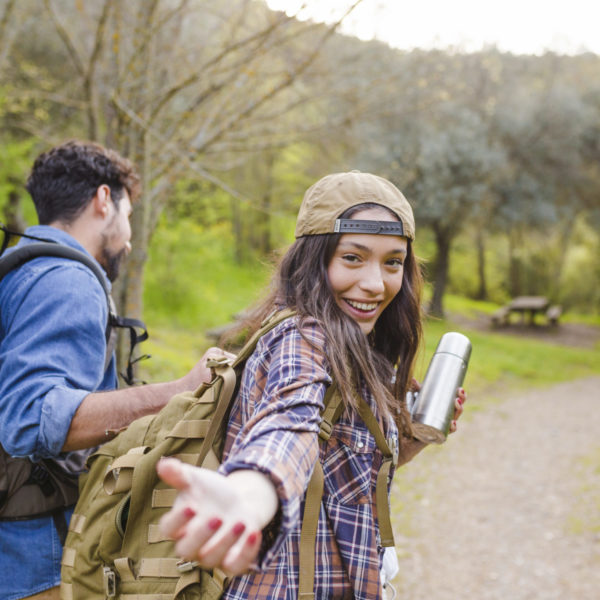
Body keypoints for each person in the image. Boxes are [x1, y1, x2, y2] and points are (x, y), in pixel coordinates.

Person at [157, 170, 467, 599]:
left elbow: (347, 477)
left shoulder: (363, 347)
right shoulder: (302, 338)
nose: (375, 283)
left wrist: (411, 436)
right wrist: (250, 494)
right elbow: (289, 426)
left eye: (392, 262)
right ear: (314, 261)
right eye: (353, 258)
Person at [0, 140, 219, 600]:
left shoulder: (21, 270)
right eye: (129, 216)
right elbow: (28, 415)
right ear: (104, 199)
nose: (131, 236)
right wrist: (180, 390)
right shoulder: (68, 280)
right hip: (35, 564)